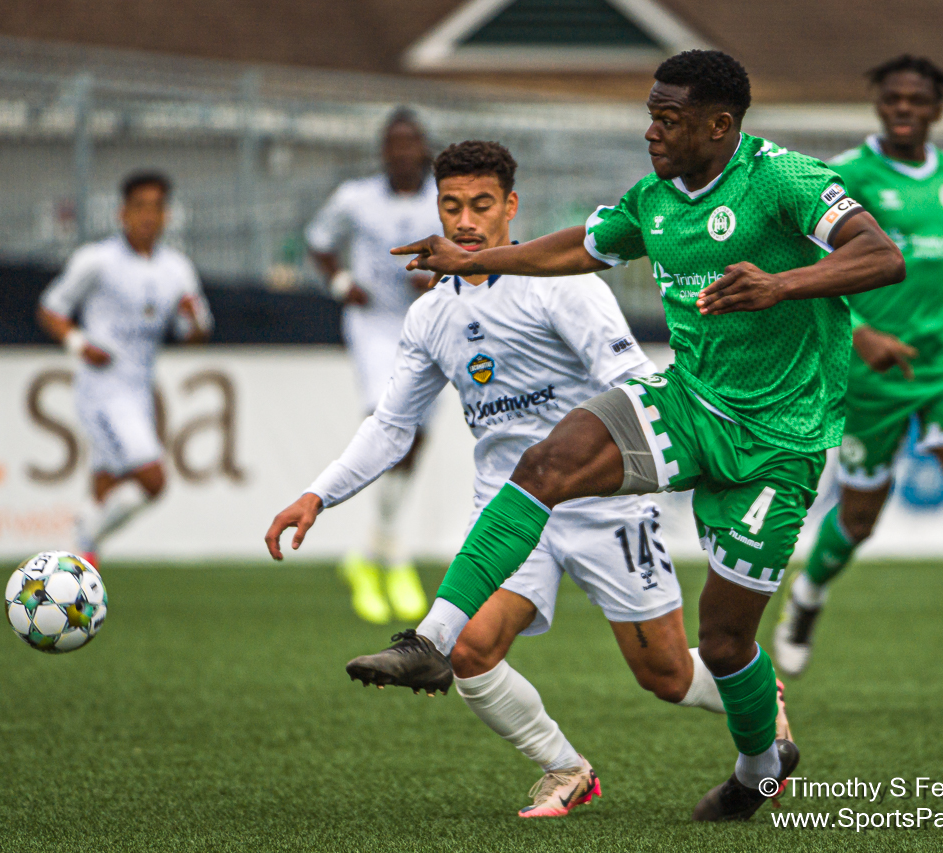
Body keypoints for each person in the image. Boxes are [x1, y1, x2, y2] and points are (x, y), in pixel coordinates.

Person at [343, 50, 905, 822]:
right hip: (690, 403)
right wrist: (473, 258)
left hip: (780, 442)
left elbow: (881, 254)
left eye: (668, 119)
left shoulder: (784, 179)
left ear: (719, 125)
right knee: (546, 463)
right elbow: (576, 247)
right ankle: (431, 641)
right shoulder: (654, 199)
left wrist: (779, 284)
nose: (651, 131)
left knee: (725, 642)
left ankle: (756, 770)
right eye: (651, 115)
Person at [267, 140, 782, 817]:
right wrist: (318, 494)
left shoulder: (561, 284)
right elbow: (391, 426)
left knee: (666, 674)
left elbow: (632, 378)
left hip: (602, 505)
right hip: (510, 512)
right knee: (472, 650)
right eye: (452, 206)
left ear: (511, 207)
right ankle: (565, 768)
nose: (465, 221)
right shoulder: (430, 314)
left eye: (481, 205)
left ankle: (759, 696)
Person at [775, 55, 943, 717]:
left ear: (936, 109)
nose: (903, 108)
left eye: (916, 99)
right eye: (892, 98)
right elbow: (812, 265)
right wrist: (860, 332)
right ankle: (808, 593)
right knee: (859, 518)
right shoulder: (846, 174)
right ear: (878, 104)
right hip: (872, 371)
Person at [304, 108, 442, 625]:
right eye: (394, 143)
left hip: (429, 323)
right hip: (374, 325)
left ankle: (371, 553)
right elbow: (318, 241)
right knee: (386, 420)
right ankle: (396, 557)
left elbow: (473, 250)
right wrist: (341, 283)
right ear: (383, 151)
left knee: (416, 437)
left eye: (411, 143)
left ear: (423, 148)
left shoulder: (442, 199)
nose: (402, 152)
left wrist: (438, 277)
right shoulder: (355, 198)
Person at [37, 170, 212, 567]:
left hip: (140, 390)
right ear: (123, 213)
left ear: (167, 215)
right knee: (153, 479)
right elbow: (51, 308)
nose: (148, 216)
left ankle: (81, 571)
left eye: (156, 207)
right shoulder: (97, 260)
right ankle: (83, 538)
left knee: (107, 485)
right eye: (140, 207)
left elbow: (194, 336)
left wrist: (195, 320)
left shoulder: (177, 269)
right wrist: (80, 344)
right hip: (102, 389)